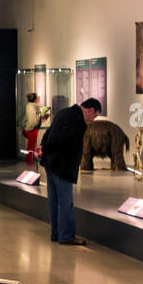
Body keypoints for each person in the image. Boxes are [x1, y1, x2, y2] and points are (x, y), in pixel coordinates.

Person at [40, 98, 101, 244]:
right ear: (91, 110)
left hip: (51, 163)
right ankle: (66, 236)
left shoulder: (63, 113)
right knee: (65, 202)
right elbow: (62, 141)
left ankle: (56, 234)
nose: (93, 120)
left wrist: (44, 149)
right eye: (95, 116)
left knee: (54, 201)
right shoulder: (77, 121)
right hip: (62, 166)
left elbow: (49, 134)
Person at [22, 93, 48, 164]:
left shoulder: (30, 106)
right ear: (35, 99)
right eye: (37, 98)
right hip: (32, 130)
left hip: (31, 129)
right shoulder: (32, 107)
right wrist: (30, 128)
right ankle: (29, 162)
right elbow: (32, 121)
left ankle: (29, 161)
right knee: (30, 148)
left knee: (30, 147)